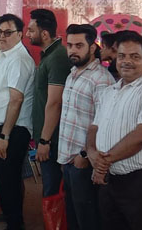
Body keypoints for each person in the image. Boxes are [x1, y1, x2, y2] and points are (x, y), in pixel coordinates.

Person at [86, 31, 142, 230]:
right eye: (122, 56)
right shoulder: (109, 91)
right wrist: (91, 152)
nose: (127, 61)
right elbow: (94, 127)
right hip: (111, 179)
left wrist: (103, 163)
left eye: (135, 57)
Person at [0, 14, 34, 230]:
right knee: (5, 180)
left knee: (8, 181)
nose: (2, 36)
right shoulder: (7, 56)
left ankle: (15, 224)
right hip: (4, 129)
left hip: (11, 130)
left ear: (20, 34)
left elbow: (16, 99)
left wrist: (5, 136)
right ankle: (11, 217)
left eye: (8, 32)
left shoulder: (18, 60)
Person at [58, 24, 115, 230]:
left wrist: (83, 154)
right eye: (70, 45)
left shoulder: (101, 79)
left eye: (79, 45)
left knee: (88, 220)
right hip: (68, 159)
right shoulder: (72, 73)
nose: (73, 50)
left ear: (92, 47)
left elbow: (105, 123)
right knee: (73, 217)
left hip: (85, 162)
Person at [25, 9, 71, 198]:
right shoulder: (48, 55)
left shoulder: (58, 57)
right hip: (47, 136)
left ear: (44, 34)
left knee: (53, 192)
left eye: (31, 30)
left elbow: (55, 102)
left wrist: (45, 141)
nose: (27, 34)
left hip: (53, 139)